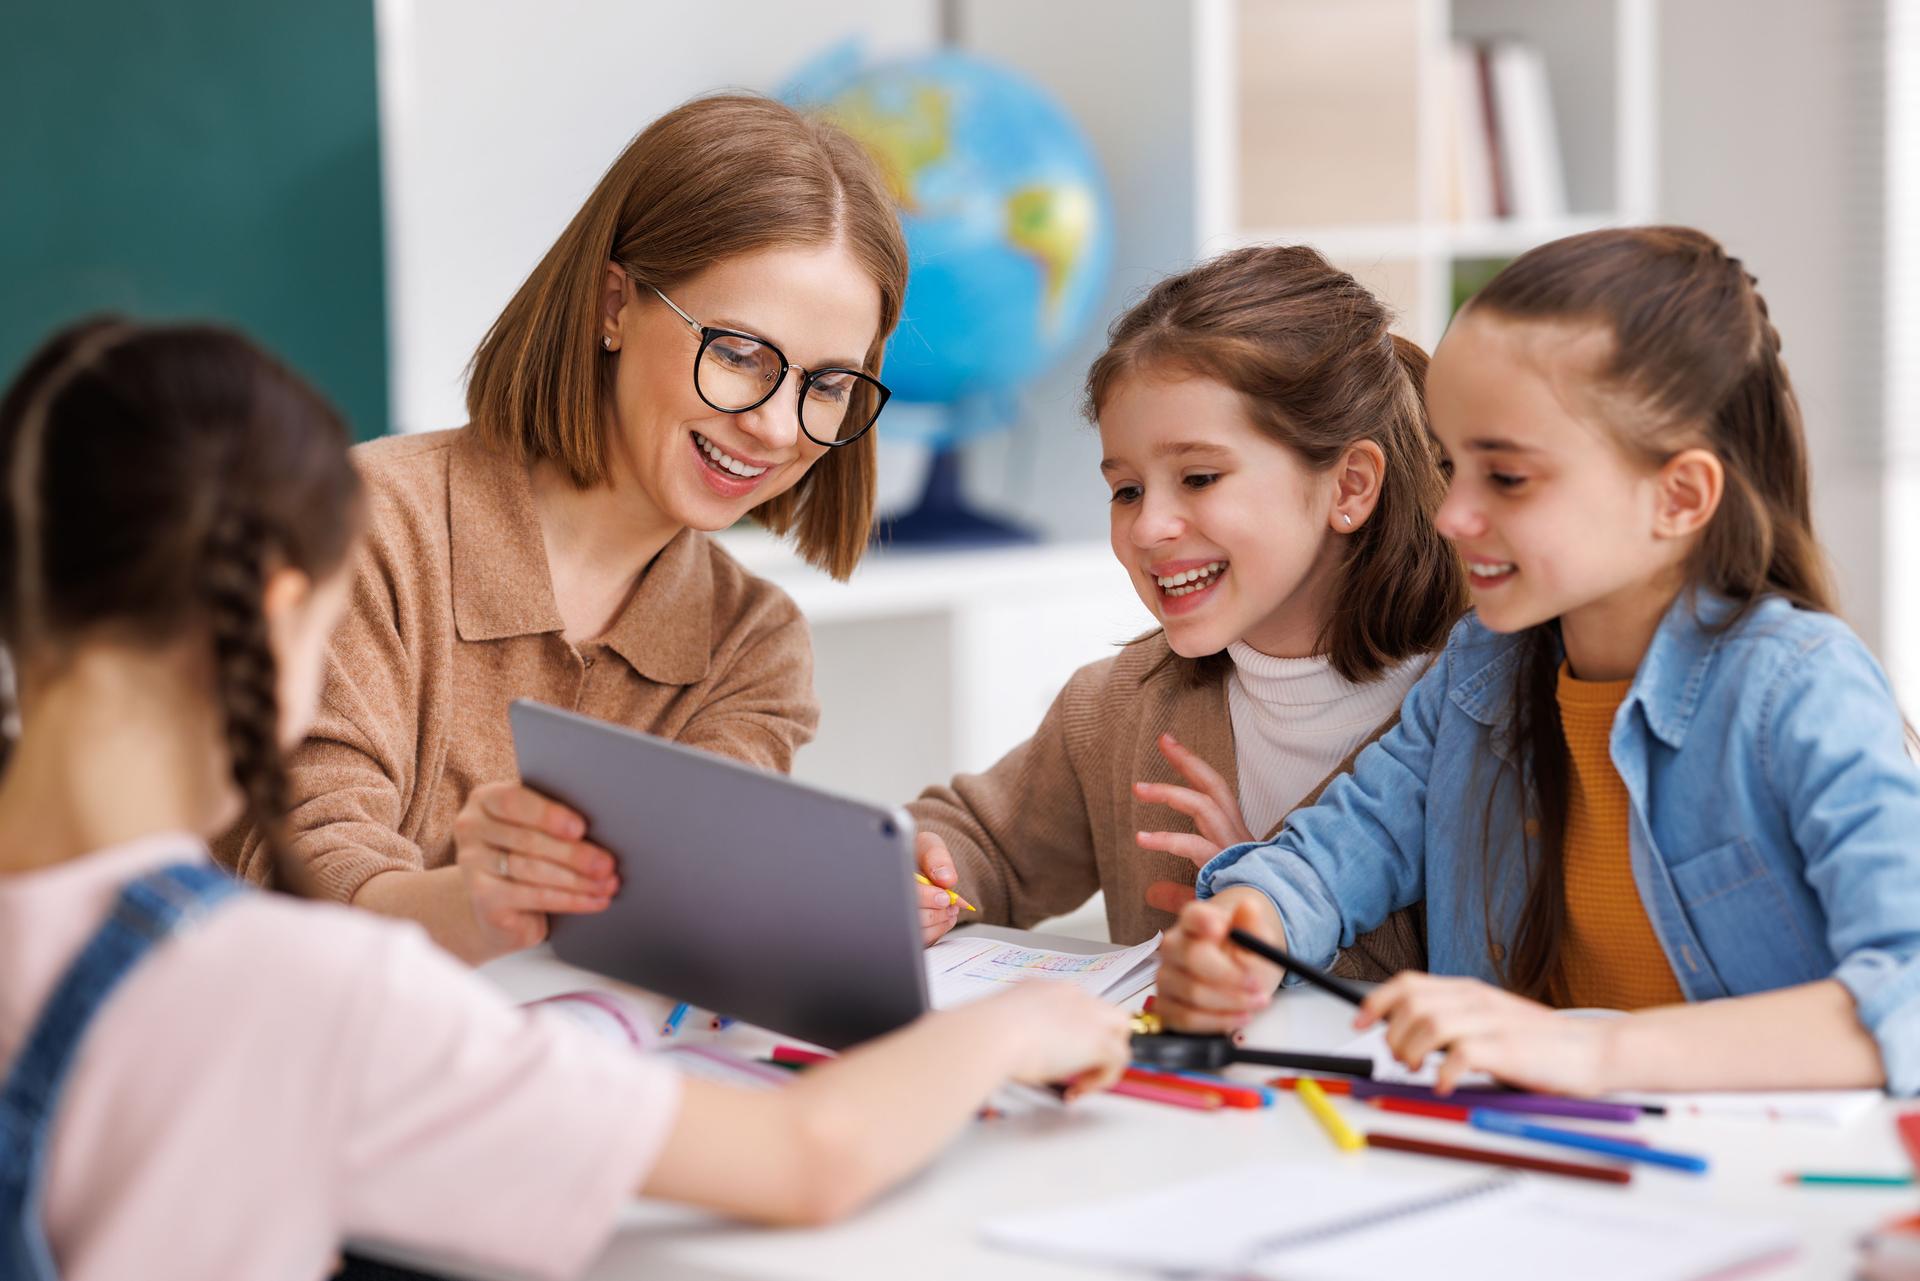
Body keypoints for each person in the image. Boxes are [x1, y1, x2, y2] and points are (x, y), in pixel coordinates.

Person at [0, 319, 1130, 1281]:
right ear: (285, 608)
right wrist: (1014, 1027)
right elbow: (809, 1158)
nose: (776, 420)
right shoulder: (293, 993)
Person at [1157, 227, 1920, 1098]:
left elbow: (1907, 987)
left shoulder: (1799, 687)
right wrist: (1249, 921)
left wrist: (1588, 1053)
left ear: (1679, 496)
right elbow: (1342, 847)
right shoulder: (1483, 668)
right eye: (1450, 465)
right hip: (1522, 1160)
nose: (1452, 516)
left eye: (1508, 478)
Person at [217, 94, 910, 963]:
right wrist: (475, 904)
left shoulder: (753, 645)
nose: (777, 427)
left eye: (829, 383)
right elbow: (294, 873)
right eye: (737, 353)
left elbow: (685, 918)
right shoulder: (359, 525)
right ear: (613, 304)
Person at [909, 245, 1465, 980]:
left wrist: (1262, 888)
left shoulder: (1474, 709)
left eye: (1199, 477)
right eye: (1127, 489)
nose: (1147, 527)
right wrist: (924, 871)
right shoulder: (1118, 711)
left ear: (1349, 487)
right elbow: (981, 840)